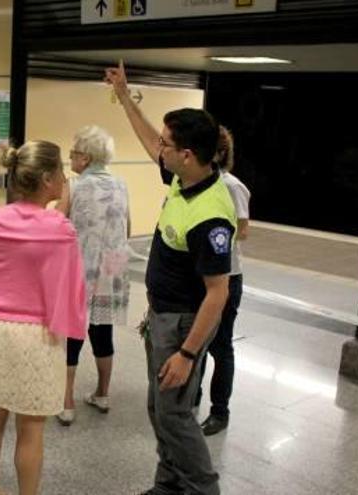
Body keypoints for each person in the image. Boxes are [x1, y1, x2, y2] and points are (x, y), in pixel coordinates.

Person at [106, 60, 235, 495]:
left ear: (187, 154)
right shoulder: (184, 179)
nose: (158, 148)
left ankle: (202, 488)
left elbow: (218, 294)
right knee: (160, 408)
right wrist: (125, 98)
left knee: (175, 414)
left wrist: (186, 352)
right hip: (163, 317)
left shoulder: (211, 214)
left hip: (183, 324)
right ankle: (169, 485)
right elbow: (148, 143)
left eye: (167, 144)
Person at [0, 141, 87, 495]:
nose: (66, 178)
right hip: (37, 335)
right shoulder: (59, 229)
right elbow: (70, 289)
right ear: (47, 179)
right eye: (61, 172)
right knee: (31, 428)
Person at [55, 125, 131, 425]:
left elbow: (55, 225)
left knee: (73, 332)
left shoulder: (72, 186)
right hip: (113, 268)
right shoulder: (122, 184)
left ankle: (67, 402)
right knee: (103, 331)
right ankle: (102, 393)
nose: (70, 158)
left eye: (73, 153)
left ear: (84, 158)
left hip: (79, 266)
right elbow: (126, 227)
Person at [196, 126, 251, 436]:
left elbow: (243, 230)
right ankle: (193, 396)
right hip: (200, 275)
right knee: (198, 339)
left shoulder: (232, 187)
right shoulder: (197, 184)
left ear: (217, 153)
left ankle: (220, 410)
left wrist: (213, 237)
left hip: (227, 275)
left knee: (221, 345)